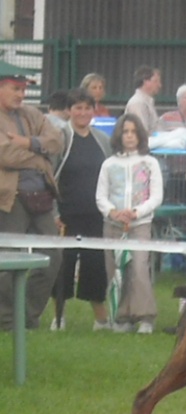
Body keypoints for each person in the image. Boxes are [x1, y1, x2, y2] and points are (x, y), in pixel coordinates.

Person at [0, 69, 64, 331]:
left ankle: (27, 316)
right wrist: (40, 157)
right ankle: (6, 320)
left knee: (53, 256)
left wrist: (26, 142)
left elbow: (56, 141)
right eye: (15, 88)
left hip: (42, 199)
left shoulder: (32, 114)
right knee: (8, 261)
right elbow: (5, 155)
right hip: (9, 199)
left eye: (24, 89)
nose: (21, 94)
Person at [95, 113, 163, 334]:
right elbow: (100, 196)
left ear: (140, 135)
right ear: (119, 135)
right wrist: (113, 212)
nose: (130, 136)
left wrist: (136, 212)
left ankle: (145, 316)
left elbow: (156, 196)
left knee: (138, 268)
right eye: (126, 132)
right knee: (115, 269)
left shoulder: (150, 162)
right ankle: (121, 316)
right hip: (113, 224)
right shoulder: (109, 164)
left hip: (140, 224)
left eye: (134, 132)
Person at [51, 88, 113, 332]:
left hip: (96, 215)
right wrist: (55, 213)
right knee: (63, 265)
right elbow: (50, 177)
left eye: (88, 108)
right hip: (66, 214)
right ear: (69, 111)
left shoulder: (102, 140)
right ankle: (58, 317)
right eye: (78, 108)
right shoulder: (60, 138)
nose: (83, 112)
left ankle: (101, 320)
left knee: (95, 265)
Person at [125, 65, 162, 135]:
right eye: (156, 81)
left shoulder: (146, 102)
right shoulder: (138, 103)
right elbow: (142, 133)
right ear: (146, 82)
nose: (159, 85)